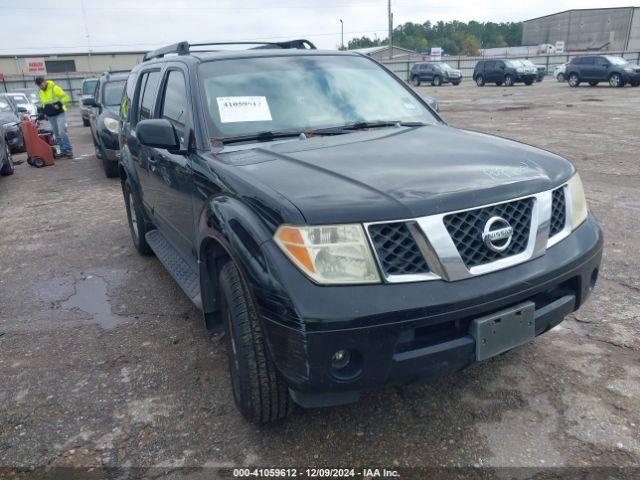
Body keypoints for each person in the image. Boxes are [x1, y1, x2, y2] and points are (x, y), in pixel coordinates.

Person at [35, 76, 73, 158]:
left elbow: (66, 97)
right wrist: (43, 112)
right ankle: (63, 151)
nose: (41, 87)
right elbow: (43, 103)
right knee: (56, 134)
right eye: (39, 86)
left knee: (62, 131)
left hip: (59, 113)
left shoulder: (54, 88)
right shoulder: (40, 92)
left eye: (41, 85)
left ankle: (69, 149)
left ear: (44, 82)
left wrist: (59, 104)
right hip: (50, 116)